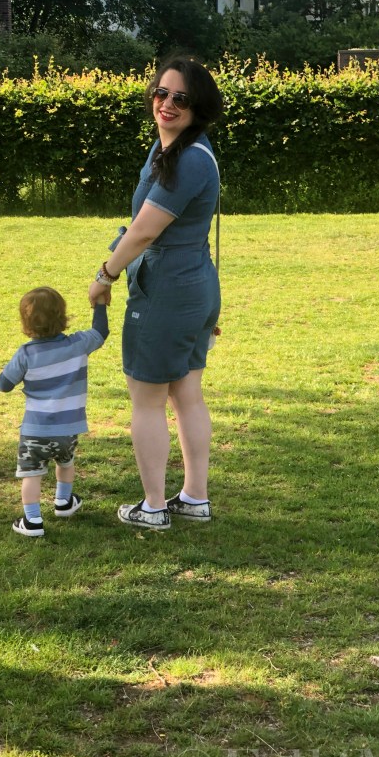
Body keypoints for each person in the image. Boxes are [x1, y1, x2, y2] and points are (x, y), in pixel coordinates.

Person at [88, 55, 224, 531]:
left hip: (169, 293)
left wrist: (104, 275)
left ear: (198, 107)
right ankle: (194, 498)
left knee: (147, 399)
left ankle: (153, 507)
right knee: (186, 392)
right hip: (195, 288)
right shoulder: (173, 149)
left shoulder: (188, 160)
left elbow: (145, 232)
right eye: (160, 93)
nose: (166, 104)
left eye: (180, 98)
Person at [0, 286, 109, 537]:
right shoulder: (78, 344)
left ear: (26, 322)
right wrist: (99, 304)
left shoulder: (25, 354)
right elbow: (101, 332)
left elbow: (4, 385)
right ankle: (63, 501)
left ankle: (33, 521)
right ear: (62, 316)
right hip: (68, 430)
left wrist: (2, 381)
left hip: (34, 431)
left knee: (32, 474)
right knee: (66, 462)